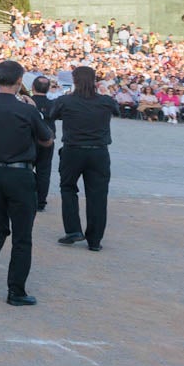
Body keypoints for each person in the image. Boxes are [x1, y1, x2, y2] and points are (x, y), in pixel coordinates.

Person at [0, 60, 54, 306]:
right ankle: (15, 290)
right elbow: (47, 140)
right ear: (19, 83)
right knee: (22, 235)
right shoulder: (27, 110)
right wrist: (34, 111)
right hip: (20, 174)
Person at [50, 65, 120, 252]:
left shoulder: (65, 100)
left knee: (68, 188)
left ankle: (73, 230)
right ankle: (95, 240)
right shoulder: (105, 101)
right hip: (99, 152)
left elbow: (52, 114)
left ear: (75, 81)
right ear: (95, 81)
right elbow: (117, 109)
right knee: (97, 195)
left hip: (73, 150)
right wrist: (104, 93)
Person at [30, 75, 56, 212]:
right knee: (44, 171)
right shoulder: (53, 104)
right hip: (47, 140)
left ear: (33, 87)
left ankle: (26, 196)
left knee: (26, 168)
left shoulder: (27, 102)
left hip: (30, 140)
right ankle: (41, 201)